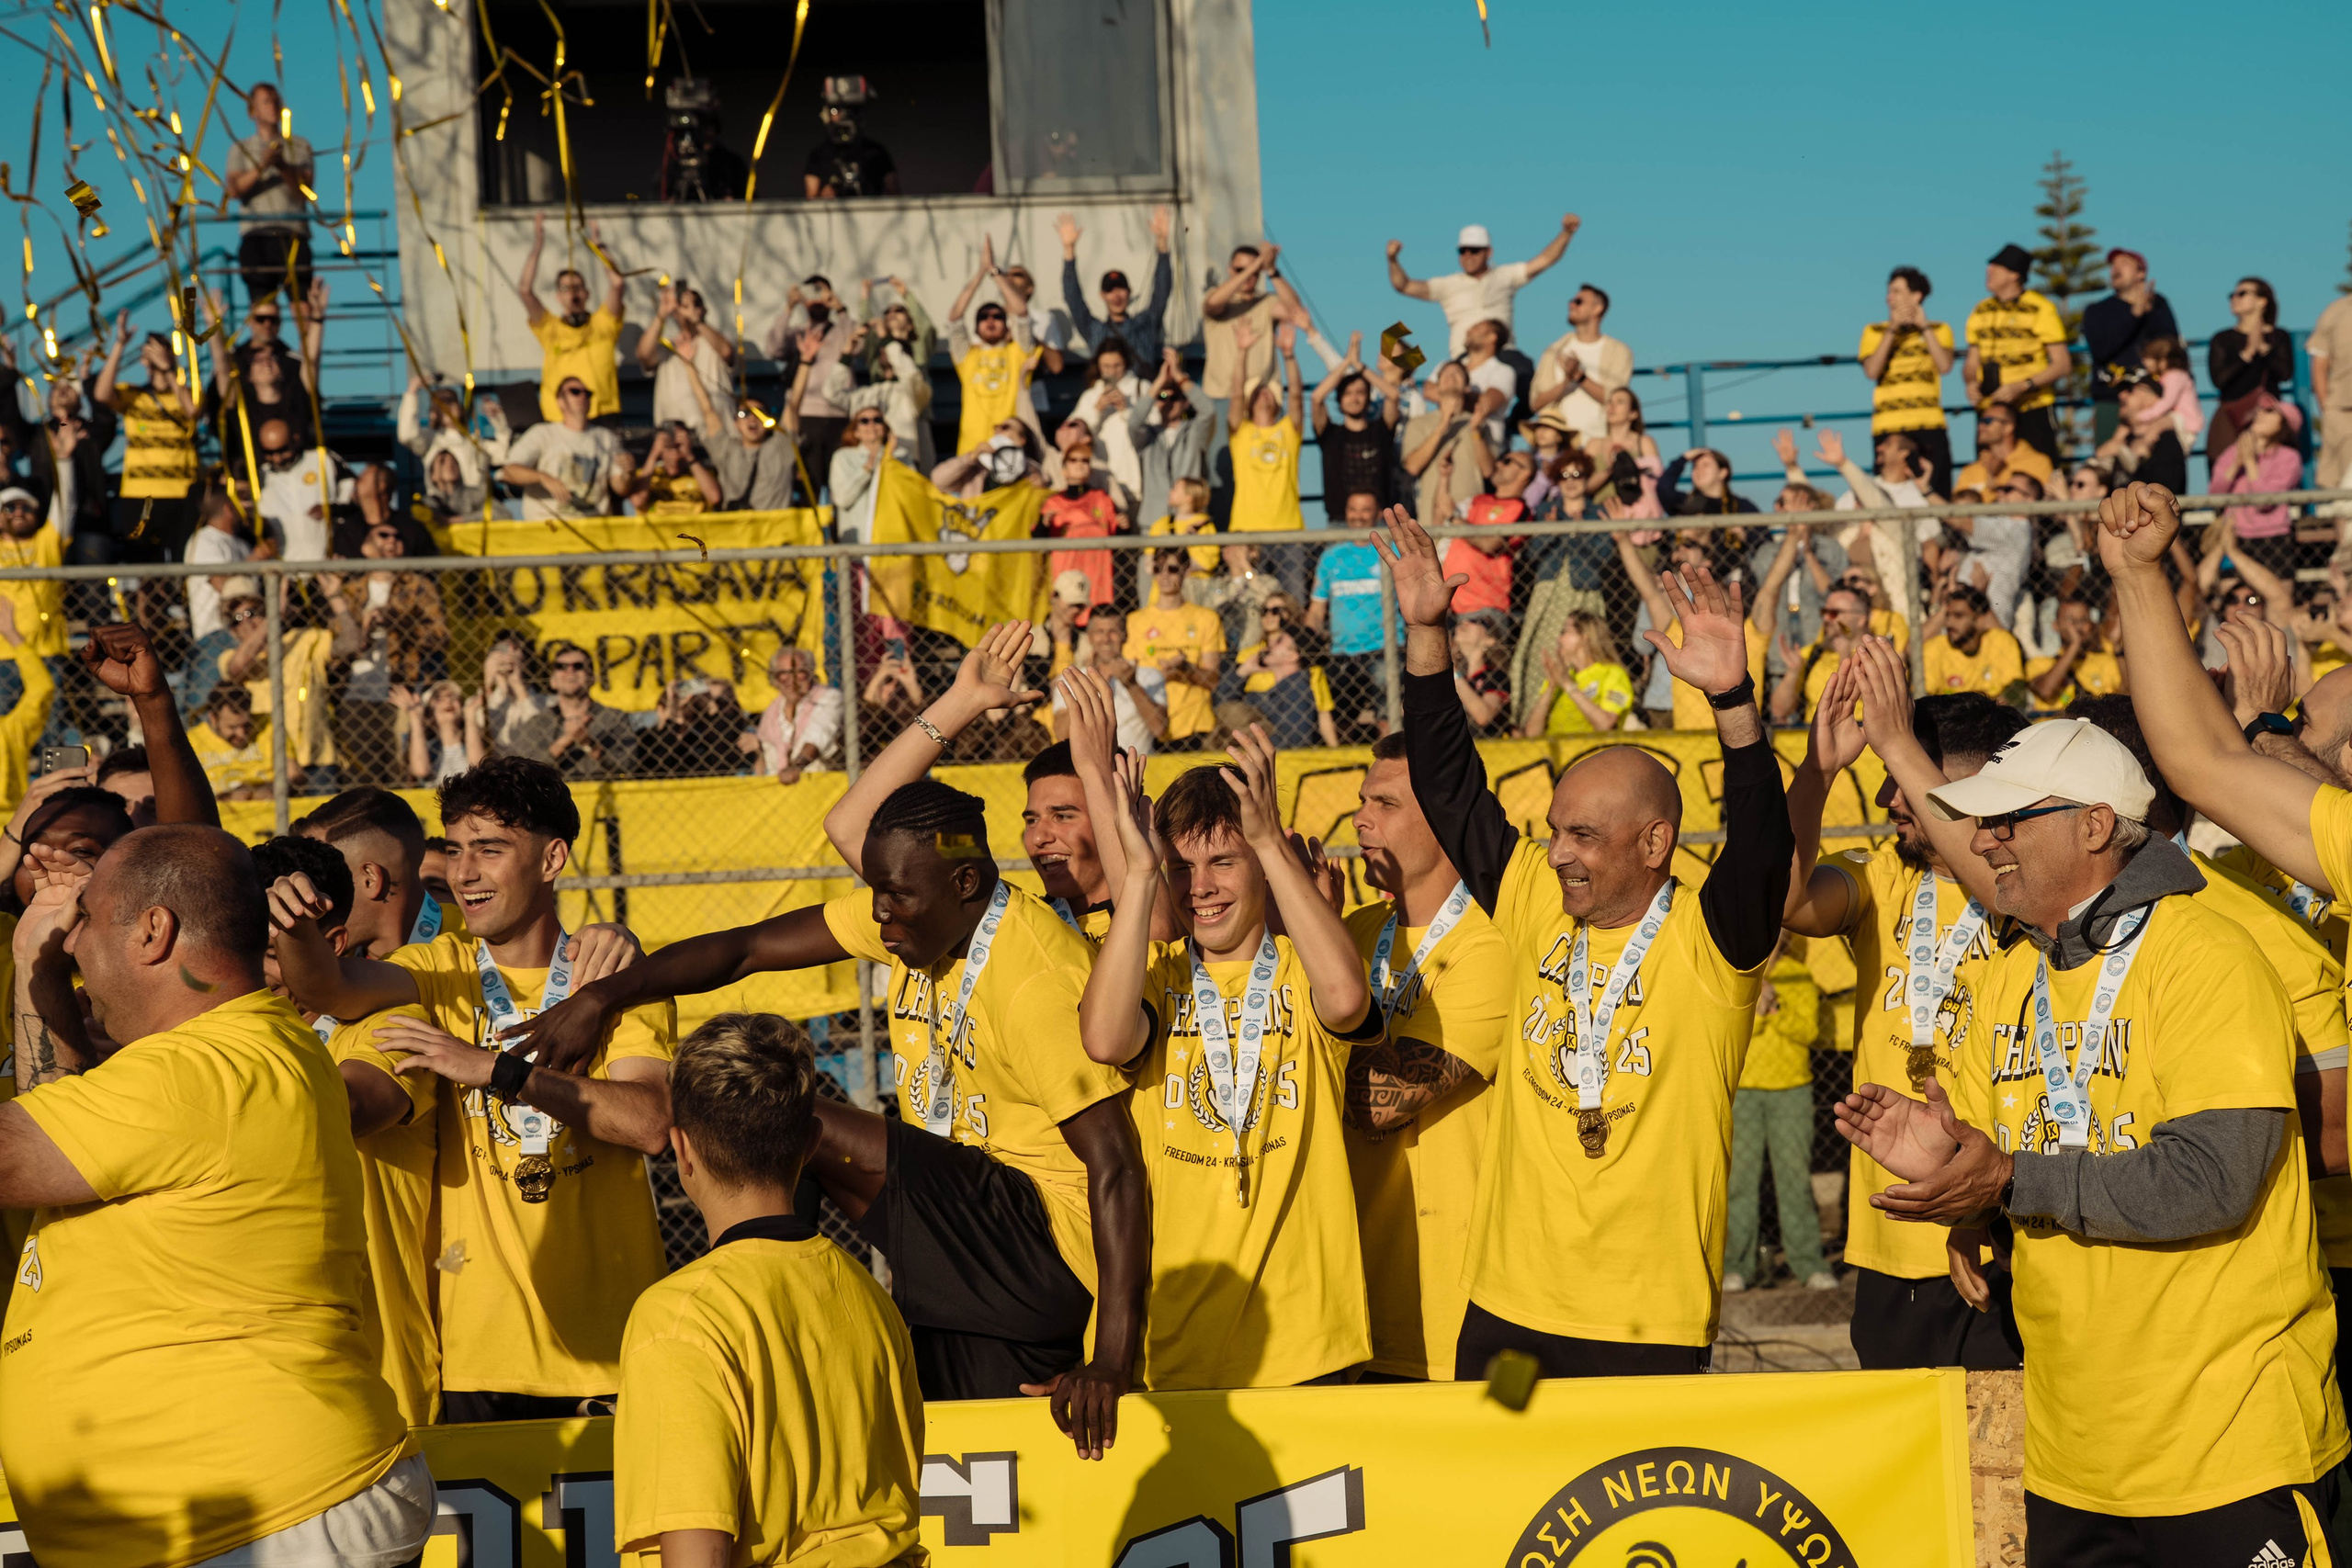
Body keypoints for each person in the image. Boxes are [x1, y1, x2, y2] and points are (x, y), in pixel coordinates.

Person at [503, 630, 1146, 1460]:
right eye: (876, 898)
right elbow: (739, 950)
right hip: (968, 1259)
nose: (881, 919)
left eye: (898, 902)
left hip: (1043, 1249)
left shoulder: (1033, 976)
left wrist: (1114, 1359)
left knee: (781, 1121)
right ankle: (811, 1331)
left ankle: (766, 1326)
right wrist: (602, 994)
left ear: (965, 885)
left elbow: (1118, 1165)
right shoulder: (919, 913)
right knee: (975, 1461)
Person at [1834, 661, 2347, 1562]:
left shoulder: (2205, 956)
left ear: (2095, 825)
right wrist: (1968, 1191)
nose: (1983, 839)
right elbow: (2032, 1157)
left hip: (2225, 1452)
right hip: (2073, 1459)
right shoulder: (2010, 972)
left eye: (2006, 818)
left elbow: (2212, 1179)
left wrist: (2007, 1178)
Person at [1378, 502, 1795, 1377]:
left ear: (1655, 844)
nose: (1558, 852)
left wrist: (1731, 700)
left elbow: (1761, 843)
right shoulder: (1536, 899)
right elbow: (1450, 782)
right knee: (1501, 1510)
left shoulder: (1708, 944)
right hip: (1505, 1309)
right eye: (1556, 829)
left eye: (1584, 837)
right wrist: (1428, 635)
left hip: (1645, 1323)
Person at [0, 824, 429, 1568]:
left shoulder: (205, 1074)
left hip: (268, 1519)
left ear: (153, 932)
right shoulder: (235, 1051)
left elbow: (10, 1156)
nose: (71, 946)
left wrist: (27, 967)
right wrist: (31, 972)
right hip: (251, 1517)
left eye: (87, 923)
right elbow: (54, 1124)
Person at [266, 758, 675, 1423]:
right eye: (454, 849)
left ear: (552, 858)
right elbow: (328, 989)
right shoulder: (437, 967)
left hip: (610, 1355)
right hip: (474, 1360)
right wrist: (293, 927)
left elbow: (651, 1122)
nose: (463, 872)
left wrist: (497, 1070)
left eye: (489, 849)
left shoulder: (615, 980)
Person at [1077, 724, 1378, 1388]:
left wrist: (1269, 838)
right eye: (1182, 867)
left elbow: (1349, 998)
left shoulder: (1302, 971)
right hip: (1175, 1347)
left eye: (1223, 862)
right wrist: (1142, 872)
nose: (1200, 886)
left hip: (1309, 1346)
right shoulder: (1155, 976)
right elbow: (1102, 1038)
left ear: (1262, 868)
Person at [616, 1012, 923, 1566]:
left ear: (682, 1150)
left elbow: (696, 1555)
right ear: (809, 1144)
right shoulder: (869, 1298)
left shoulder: (680, 1319)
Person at [1781, 683, 2028, 1368]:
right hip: (1891, 1241)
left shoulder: (2031, 891)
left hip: (2000, 1229)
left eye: (1909, 780)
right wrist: (1818, 773)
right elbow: (1787, 901)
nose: (1892, 798)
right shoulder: (1885, 873)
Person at [1340, 732, 1514, 1381]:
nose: (1360, 818)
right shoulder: (1350, 931)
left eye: (1384, 802)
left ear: (1443, 815)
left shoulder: (1491, 940)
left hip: (1450, 1315)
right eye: (1362, 800)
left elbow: (1374, 1103)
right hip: (1349, 1308)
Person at [1723, 938, 1832, 1292]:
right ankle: (1737, 1265)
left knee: (1795, 1184)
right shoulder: (1735, 974)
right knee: (1740, 1184)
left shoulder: (1797, 976)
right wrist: (1757, 1002)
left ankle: (1808, 1264)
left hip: (1791, 1090)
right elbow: (1729, 1031)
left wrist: (1775, 1007)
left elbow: (1809, 1031)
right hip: (1744, 1090)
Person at [1386, 216, 1581, 357]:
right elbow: (1404, 286)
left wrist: (1566, 233)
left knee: (1524, 371)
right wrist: (1393, 260)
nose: (1468, 255)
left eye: (1474, 250)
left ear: (1488, 252)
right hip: (1464, 356)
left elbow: (1545, 260)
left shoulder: (1506, 276)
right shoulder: (1447, 285)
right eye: (1463, 250)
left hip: (1504, 353)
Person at [94, 313, 200, 561]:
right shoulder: (133, 395)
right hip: (140, 494)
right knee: (142, 566)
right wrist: (120, 344)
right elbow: (101, 394)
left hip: (182, 493)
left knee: (185, 561)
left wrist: (169, 370)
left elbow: (192, 411)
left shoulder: (188, 393)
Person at [1308, 491, 1405, 739]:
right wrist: (1309, 638)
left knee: (1389, 720)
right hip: (1342, 653)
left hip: (1385, 649)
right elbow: (1317, 609)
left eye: (1365, 510)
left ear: (1376, 513)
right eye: (1353, 509)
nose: (1358, 516)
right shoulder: (1332, 556)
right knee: (1340, 720)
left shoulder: (1392, 550)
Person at [1962, 243, 2071, 462]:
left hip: (2033, 408)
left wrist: (2022, 386)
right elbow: (1971, 363)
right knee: (1989, 476)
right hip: (1991, 412)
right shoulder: (1980, 310)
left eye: (1996, 268)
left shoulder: (2041, 308)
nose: (1988, 271)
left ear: (2014, 275)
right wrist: (1971, 382)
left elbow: (2062, 364)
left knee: (2041, 472)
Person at [1223, 318, 1307, 595]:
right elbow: (1235, 394)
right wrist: (1242, 352)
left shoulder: (1288, 430)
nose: (1263, 394)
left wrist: (1289, 355)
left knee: (1292, 601)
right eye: (1257, 391)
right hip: (1246, 532)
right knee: (1249, 601)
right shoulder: (1242, 432)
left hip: (1289, 531)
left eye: (1268, 391)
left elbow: (1296, 395)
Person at [516, 212, 626, 422]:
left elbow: (618, 283)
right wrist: (538, 245)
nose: (573, 292)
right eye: (566, 288)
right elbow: (525, 290)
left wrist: (598, 246)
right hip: (560, 419)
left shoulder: (603, 323)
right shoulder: (550, 328)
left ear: (587, 293)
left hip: (603, 415)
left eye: (577, 287)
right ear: (558, 297)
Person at [1858, 266, 1956, 496]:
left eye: (1896, 291)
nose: (1889, 298)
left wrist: (1924, 328)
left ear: (1916, 296)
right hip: (1889, 426)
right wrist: (1892, 330)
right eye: (1889, 292)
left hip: (1929, 424)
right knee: (1889, 494)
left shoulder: (1940, 329)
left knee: (1935, 493)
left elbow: (1945, 365)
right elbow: (1872, 371)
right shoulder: (1874, 331)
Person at [221, 83, 316, 314]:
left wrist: (282, 165)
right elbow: (234, 190)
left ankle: (308, 350)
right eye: (265, 102)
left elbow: (305, 191)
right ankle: (264, 351)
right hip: (257, 236)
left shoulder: (300, 146)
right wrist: (262, 165)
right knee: (263, 309)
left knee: (303, 307)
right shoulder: (240, 148)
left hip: (293, 234)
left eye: (276, 101)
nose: (272, 107)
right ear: (252, 111)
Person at [1127, 547, 1227, 750]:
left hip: (1194, 723)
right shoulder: (1135, 621)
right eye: (1158, 568)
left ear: (1186, 570)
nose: (1164, 575)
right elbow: (1130, 672)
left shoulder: (1206, 618)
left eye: (1172, 569)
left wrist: (1185, 669)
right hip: (1150, 723)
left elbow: (1212, 679)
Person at [948, 241, 1040, 456]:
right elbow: (954, 318)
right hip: (972, 449)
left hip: (1012, 448)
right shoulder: (967, 355)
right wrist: (980, 272)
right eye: (983, 317)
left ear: (1006, 324)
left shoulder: (1018, 352)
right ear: (976, 327)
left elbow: (1022, 313)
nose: (990, 320)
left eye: (997, 316)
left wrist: (995, 273)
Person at [2080, 248, 2180, 446]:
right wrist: (2134, 314)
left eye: (2124, 264)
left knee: (2157, 464)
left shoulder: (2158, 305)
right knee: (2109, 464)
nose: (2115, 270)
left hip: (2154, 399)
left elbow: (2171, 346)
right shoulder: (2097, 311)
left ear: (2141, 273)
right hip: (2112, 400)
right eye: (2112, 266)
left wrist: (2149, 313)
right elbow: (2101, 350)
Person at [1059, 206, 1174, 367]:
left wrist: (1162, 243)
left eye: (1120, 289)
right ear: (1102, 295)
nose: (1116, 296)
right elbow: (1073, 299)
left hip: (1143, 391)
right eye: (1110, 291)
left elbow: (1163, 290)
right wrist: (1069, 250)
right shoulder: (1094, 328)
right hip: (1109, 391)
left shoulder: (1145, 323)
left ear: (1129, 292)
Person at [1529, 283, 1633, 456]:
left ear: (1597, 309)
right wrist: (1565, 383)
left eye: (1578, 302)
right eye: (1572, 301)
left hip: (1601, 444)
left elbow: (1616, 400)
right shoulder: (1554, 350)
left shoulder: (1619, 351)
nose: (1571, 305)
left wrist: (1579, 376)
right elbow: (1536, 403)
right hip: (1559, 447)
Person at [500, 376, 625, 521]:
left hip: (594, 530)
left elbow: (621, 488)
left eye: (587, 393)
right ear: (560, 401)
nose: (583, 396)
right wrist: (542, 477)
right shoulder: (542, 433)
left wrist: (627, 473)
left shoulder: (606, 437)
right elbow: (508, 472)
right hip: (549, 530)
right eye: (575, 391)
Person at [2211, 391, 2307, 579]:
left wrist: (2250, 463)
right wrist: (2236, 464)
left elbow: (2264, 501)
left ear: (2285, 423)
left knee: (2279, 598)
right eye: (2260, 410)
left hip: (2272, 537)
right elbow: (2215, 494)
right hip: (2235, 534)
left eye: (2270, 411)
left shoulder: (2289, 458)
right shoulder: (2233, 451)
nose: (2260, 414)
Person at [1050, 606, 1167, 756]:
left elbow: (1159, 729)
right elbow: (1062, 734)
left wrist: (1132, 685)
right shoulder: (1071, 679)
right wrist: (1093, 688)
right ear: (1090, 637)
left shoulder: (1149, 675)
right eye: (1099, 632)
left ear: (1125, 635)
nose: (1106, 639)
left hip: (1135, 766)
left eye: (1113, 632)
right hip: (1089, 769)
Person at [512, 642, 636, 779]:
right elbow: (525, 771)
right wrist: (566, 740)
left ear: (592, 678)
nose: (570, 671)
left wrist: (589, 744)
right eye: (561, 666)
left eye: (578, 666)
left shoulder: (614, 717)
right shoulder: (538, 722)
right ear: (553, 681)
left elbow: (627, 763)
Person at [1200, 243, 1305, 403]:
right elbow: (1212, 305)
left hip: (1262, 399)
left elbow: (1296, 312)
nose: (1248, 276)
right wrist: (1253, 266)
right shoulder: (1217, 296)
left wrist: (1271, 270)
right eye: (1240, 270)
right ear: (1230, 269)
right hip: (1221, 397)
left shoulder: (1267, 301)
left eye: (1255, 272)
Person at [1311, 346, 1401, 524]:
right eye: (1348, 393)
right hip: (1339, 522)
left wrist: (1359, 366)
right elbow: (1316, 397)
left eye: (1360, 392)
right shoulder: (1330, 434)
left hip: (1379, 520)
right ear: (1340, 399)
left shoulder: (1381, 430)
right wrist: (1347, 362)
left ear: (1368, 398)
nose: (1354, 398)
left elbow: (1393, 395)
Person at [2209, 277, 2296, 457]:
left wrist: (2264, 350)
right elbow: (2219, 380)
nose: (2234, 298)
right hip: (2230, 418)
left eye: (2242, 293)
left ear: (2262, 301)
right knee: (2225, 471)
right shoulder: (2222, 338)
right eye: (2232, 294)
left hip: (2268, 416)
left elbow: (2285, 373)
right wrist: (2247, 354)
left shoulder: (2278, 336)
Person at [637, 282, 736, 430]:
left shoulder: (714, 341)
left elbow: (726, 351)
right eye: (681, 306)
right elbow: (643, 354)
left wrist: (697, 321)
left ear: (703, 309)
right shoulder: (668, 347)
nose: (688, 310)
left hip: (718, 432)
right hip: (677, 437)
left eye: (695, 304)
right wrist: (661, 314)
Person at [1037, 446, 1123, 611]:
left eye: (1085, 461)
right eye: (1073, 460)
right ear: (1063, 470)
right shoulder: (1053, 502)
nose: (1080, 464)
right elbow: (1037, 539)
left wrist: (1124, 526)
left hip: (1097, 578)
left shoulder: (1101, 499)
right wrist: (1043, 524)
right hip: (1065, 574)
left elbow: (1118, 536)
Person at [1522, 613, 1634, 737]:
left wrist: (1569, 686)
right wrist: (1551, 687)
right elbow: (1532, 733)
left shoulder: (1612, 673)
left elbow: (1605, 724)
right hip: (1558, 754)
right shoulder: (1561, 675)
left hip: (1596, 753)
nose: (1559, 639)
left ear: (1585, 637)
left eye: (1565, 632)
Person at [752, 646, 844, 781]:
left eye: (800, 672)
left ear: (810, 673)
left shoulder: (829, 698)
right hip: (780, 790)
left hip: (822, 783)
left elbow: (817, 737)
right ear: (775, 679)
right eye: (784, 673)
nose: (792, 680)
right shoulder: (772, 712)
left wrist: (795, 767)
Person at [1922, 585, 2025, 697]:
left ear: (1979, 620)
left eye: (1958, 616)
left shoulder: (2001, 641)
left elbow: (2016, 691)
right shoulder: (1934, 648)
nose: (1949, 623)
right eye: (1947, 616)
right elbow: (1927, 697)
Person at [2026, 597, 2123, 712]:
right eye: (2071, 620)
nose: (2078, 626)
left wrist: (2117, 647)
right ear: (2055, 625)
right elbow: (2045, 691)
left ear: (2092, 625)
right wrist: (2074, 645)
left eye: (2083, 619)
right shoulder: (2039, 663)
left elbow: (2127, 694)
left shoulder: (2106, 661)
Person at [2312, 287, 2352, 491]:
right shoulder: (2335, 312)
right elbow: (2319, 365)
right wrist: (2327, 409)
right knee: (2340, 487)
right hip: (2342, 410)